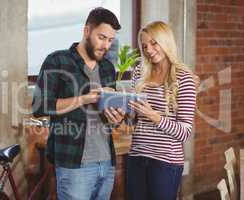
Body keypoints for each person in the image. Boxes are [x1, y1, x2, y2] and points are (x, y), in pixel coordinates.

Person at [32, 7, 125, 200]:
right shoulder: (57, 61)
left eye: (110, 40)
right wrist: (84, 98)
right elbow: (39, 107)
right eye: (101, 37)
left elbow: (108, 117)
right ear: (87, 31)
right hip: (74, 166)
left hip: (106, 163)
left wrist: (116, 116)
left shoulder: (108, 67)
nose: (106, 45)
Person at [127, 21, 199, 200]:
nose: (149, 50)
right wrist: (123, 113)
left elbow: (184, 132)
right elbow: (132, 120)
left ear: (166, 41)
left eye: (154, 43)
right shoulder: (139, 72)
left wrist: (154, 116)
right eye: (144, 46)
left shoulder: (184, 78)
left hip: (166, 162)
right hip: (137, 155)